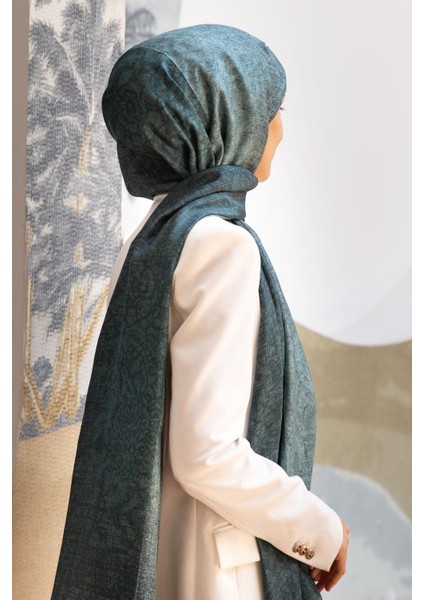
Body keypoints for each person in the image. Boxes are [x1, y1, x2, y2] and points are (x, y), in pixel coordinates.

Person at [51, 24, 349, 600]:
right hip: (218, 571)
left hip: (159, 554)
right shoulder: (222, 246)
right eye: (273, 108)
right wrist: (322, 530)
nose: (281, 129)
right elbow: (207, 455)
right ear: (224, 119)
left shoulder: (153, 239)